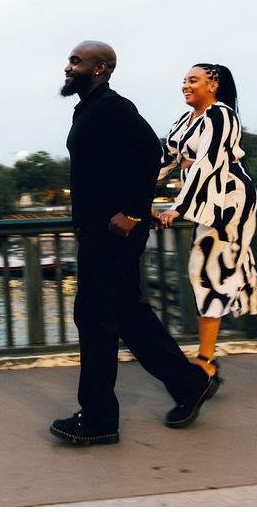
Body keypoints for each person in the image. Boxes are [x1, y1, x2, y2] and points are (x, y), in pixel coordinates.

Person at [50, 41, 218, 446]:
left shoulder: (113, 107)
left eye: (76, 61)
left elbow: (149, 153)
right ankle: (189, 383)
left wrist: (133, 211)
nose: (68, 67)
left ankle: (99, 419)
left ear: (100, 68)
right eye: (69, 60)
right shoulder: (88, 108)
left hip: (111, 233)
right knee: (127, 314)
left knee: (94, 318)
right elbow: (121, 166)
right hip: (102, 230)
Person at [157, 63, 257, 384]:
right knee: (242, 274)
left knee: (207, 269)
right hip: (211, 202)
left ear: (213, 85)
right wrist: (131, 191)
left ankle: (206, 361)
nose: (185, 85)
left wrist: (179, 207)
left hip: (229, 200)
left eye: (193, 80)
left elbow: (208, 162)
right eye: (184, 80)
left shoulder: (222, 116)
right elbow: (166, 160)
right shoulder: (187, 120)